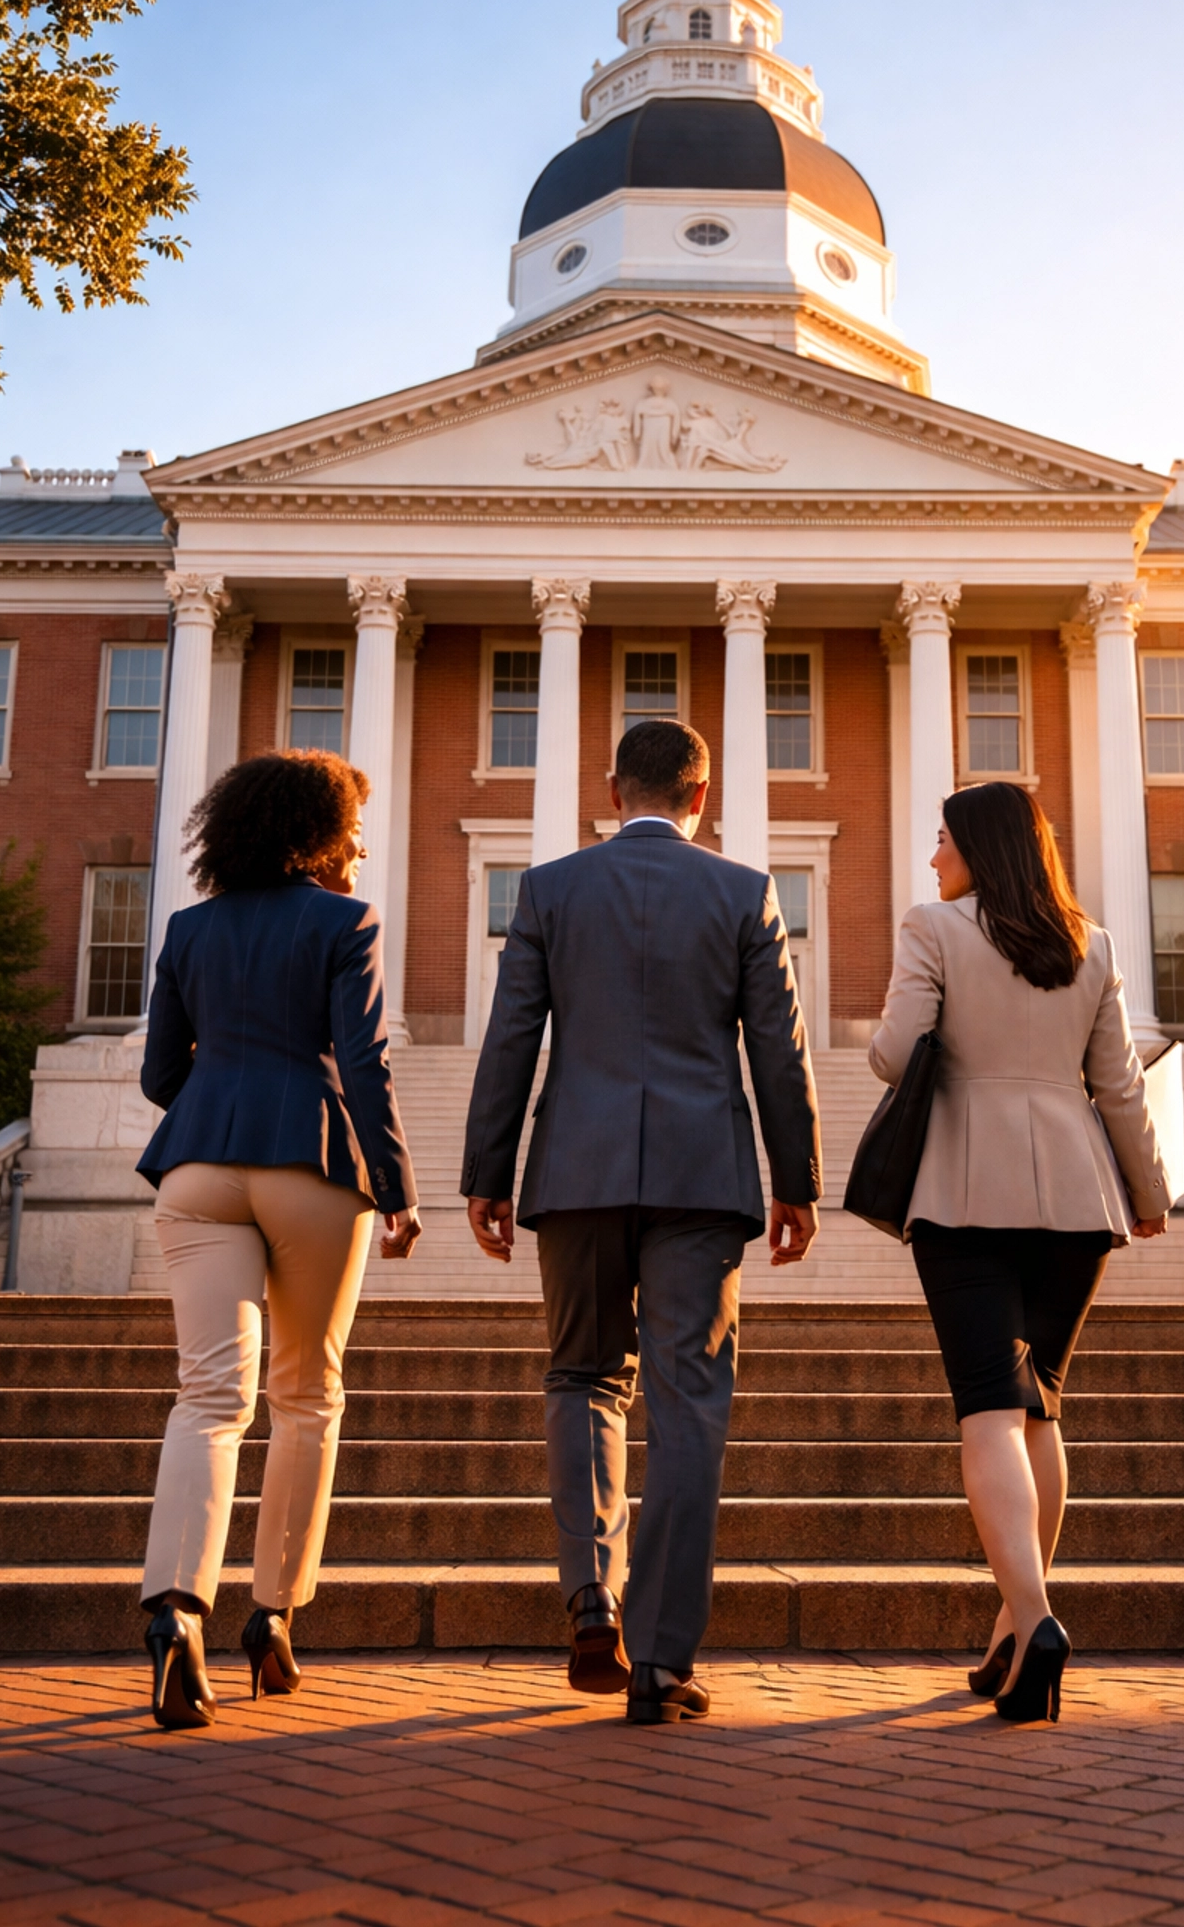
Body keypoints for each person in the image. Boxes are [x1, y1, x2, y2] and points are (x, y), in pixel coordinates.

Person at [461, 718, 822, 1724]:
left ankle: (590, 1597)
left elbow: (510, 1039)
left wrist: (487, 1171)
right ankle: (663, 1660)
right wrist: (796, 1178)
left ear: (613, 790)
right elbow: (779, 1050)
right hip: (703, 1178)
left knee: (582, 1376)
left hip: (576, 1169)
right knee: (690, 1401)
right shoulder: (745, 890)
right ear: (700, 796)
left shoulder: (547, 890)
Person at [869, 781, 1172, 1725]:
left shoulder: (934, 928)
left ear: (980, 850)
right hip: (1079, 1196)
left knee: (989, 1411)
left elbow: (891, 1052)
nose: (932, 860)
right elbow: (1119, 1086)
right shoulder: (1095, 944)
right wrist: (1149, 1194)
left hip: (964, 1190)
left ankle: (1036, 1619)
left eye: (943, 842)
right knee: (1039, 1406)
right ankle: (1010, 1630)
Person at [135, 749, 420, 1731]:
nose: (360, 847)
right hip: (310, 1161)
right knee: (306, 1394)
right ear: (316, 834)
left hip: (197, 1164)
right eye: (350, 828)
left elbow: (159, 1074)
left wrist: (222, 1099)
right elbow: (367, 1062)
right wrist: (396, 1190)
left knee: (209, 1395)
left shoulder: (189, 927)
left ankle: (176, 1610)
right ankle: (272, 1618)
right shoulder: (346, 922)